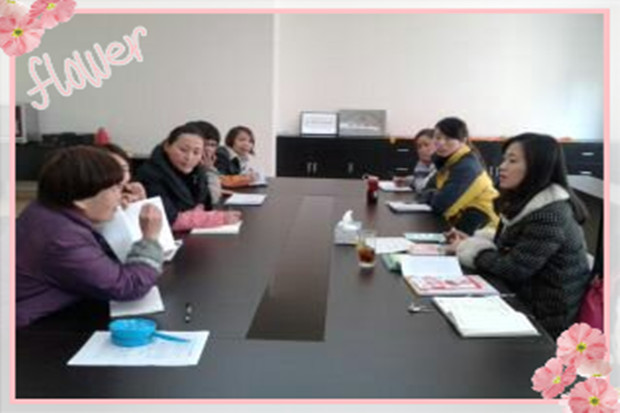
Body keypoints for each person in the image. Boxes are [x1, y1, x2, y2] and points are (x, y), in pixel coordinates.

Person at [448, 133, 591, 339]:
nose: (502, 166)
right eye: (504, 159)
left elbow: (513, 269)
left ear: (537, 167)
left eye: (512, 161)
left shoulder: (550, 215)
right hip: (524, 299)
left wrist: (468, 249)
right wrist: (472, 241)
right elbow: (510, 247)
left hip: (546, 321)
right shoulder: (525, 200)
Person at [16, 146, 164, 327]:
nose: (120, 197)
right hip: (32, 330)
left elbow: (100, 258)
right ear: (81, 199)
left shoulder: (48, 209)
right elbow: (128, 286)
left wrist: (117, 215)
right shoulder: (63, 239)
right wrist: (150, 239)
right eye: (114, 189)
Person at [136, 124, 241, 230]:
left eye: (196, 152)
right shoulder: (150, 174)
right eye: (183, 150)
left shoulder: (197, 171)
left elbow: (204, 204)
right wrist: (219, 219)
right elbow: (169, 219)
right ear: (167, 146)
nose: (189, 157)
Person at [421, 117, 498, 234]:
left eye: (448, 138)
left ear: (463, 141)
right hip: (461, 223)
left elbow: (440, 205)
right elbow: (426, 190)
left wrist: (432, 195)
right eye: (437, 137)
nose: (441, 143)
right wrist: (434, 194)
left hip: (483, 230)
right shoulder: (447, 162)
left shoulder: (466, 167)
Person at [185, 120, 225, 204]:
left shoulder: (215, 160)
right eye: (204, 144)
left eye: (212, 145)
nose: (208, 149)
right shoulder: (184, 166)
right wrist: (209, 170)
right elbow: (211, 199)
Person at [393, 128, 436, 194]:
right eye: (419, 147)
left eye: (426, 145)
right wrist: (406, 181)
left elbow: (422, 187)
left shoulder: (440, 166)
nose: (422, 150)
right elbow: (422, 178)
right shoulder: (423, 164)